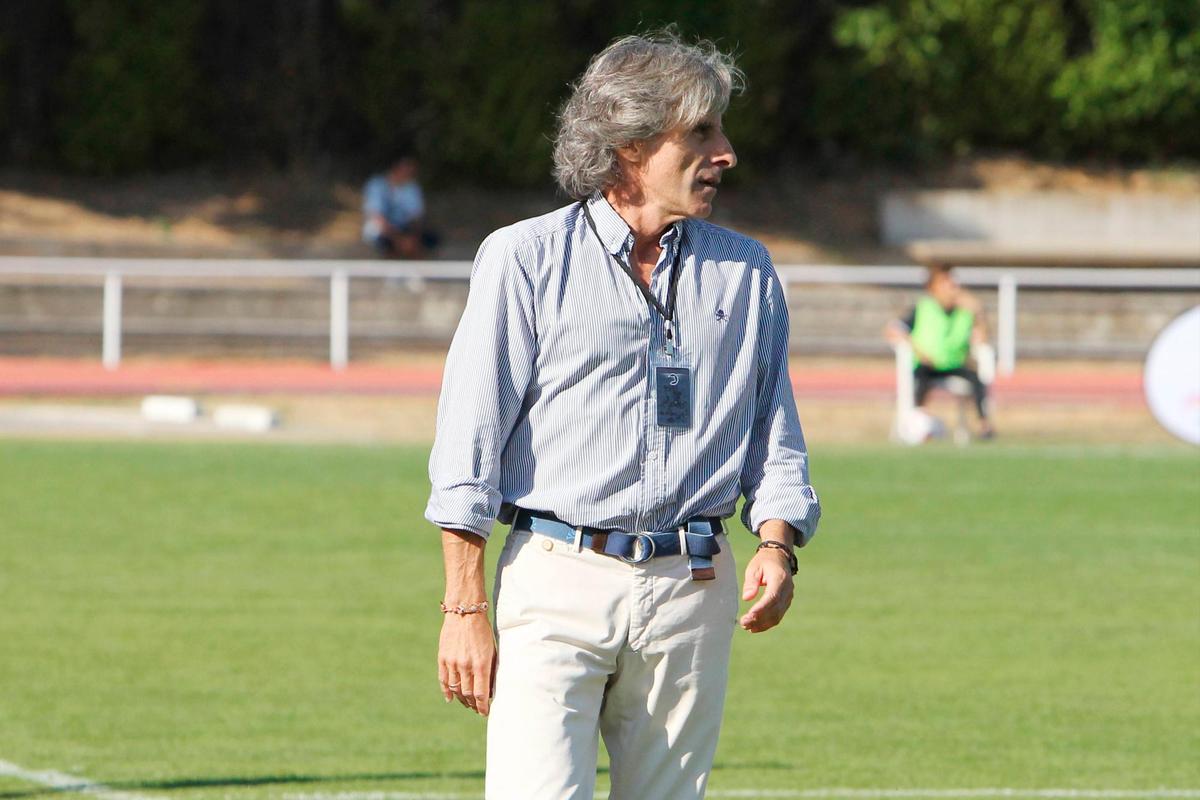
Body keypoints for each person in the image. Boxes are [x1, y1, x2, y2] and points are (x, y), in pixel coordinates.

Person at [425, 31, 821, 800]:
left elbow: (775, 432)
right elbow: (468, 446)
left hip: (693, 589)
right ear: (633, 143)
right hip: (553, 578)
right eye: (702, 132)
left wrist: (778, 544)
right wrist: (463, 605)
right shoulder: (523, 259)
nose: (726, 152)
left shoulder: (747, 273)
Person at [886, 267, 996, 438]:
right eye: (945, 284)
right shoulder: (923, 308)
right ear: (933, 288)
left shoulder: (965, 312)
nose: (951, 289)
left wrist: (978, 312)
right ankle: (919, 422)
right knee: (920, 377)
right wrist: (917, 349)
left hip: (953, 364)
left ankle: (984, 425)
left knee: (977, 380)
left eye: (952, 284)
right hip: (927, 364)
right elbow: (894, 329)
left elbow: (981, 338)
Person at [361, 155, 439, 258]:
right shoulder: (376, 185)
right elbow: (378, 219)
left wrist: (412, 237)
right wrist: (398, 239)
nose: (409, 172)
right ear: (396, 167)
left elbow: (416, 217)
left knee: (428, 239)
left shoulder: (412, 187)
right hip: (381, 232)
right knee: (386, 243)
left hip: (403, 229)